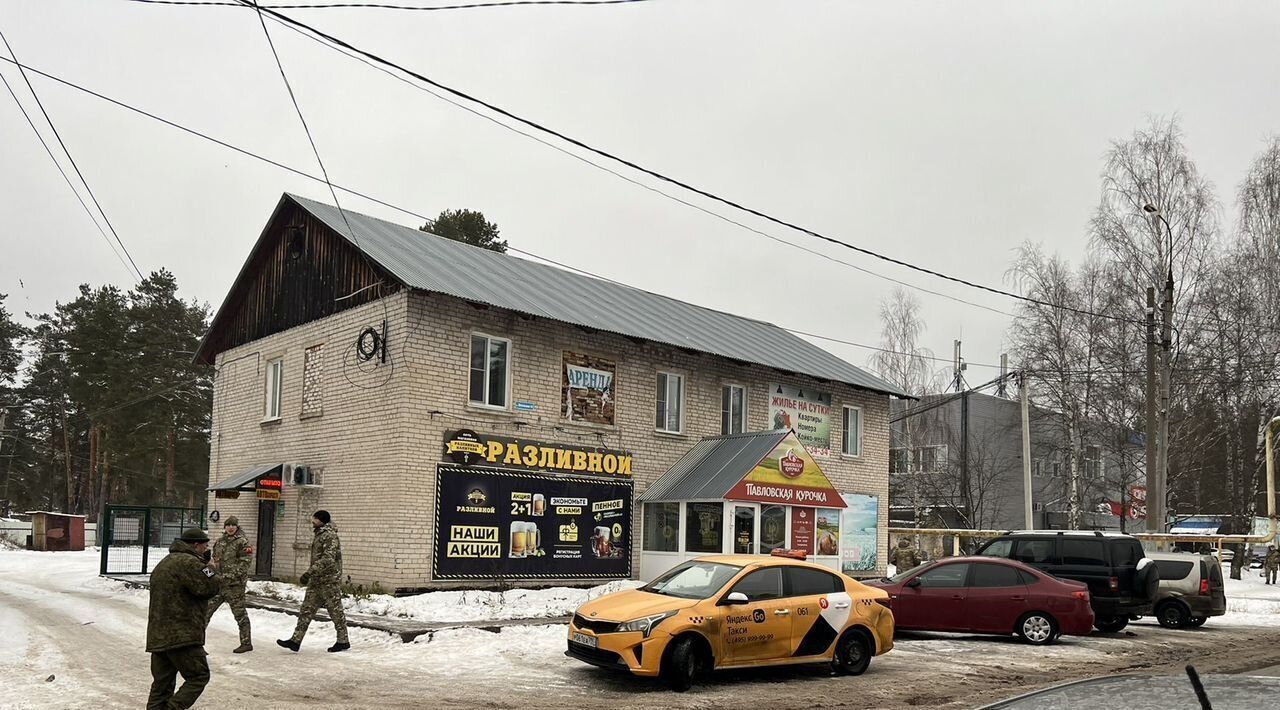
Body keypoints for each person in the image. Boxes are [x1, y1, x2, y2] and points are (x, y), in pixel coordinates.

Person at [147, 528, 220, 710]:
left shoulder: (165, 562)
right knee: (198, 676)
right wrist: (210, 568)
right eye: (205, 545)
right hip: (182, 635)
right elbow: (210, 586)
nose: (206, 548)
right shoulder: (190, 563)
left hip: (158, 635)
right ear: (196, 545)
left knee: (161, 686)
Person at [278, 510, 350, 653]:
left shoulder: (329, 536)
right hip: (317, 580)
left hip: (328, 581)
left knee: (335, 612)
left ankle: (343, 641)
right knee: (306, 610)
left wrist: (310, 572)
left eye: (315, 518)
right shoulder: (319, 534)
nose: (312, 521)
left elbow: (328, 558)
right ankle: (295, 641)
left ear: (320, 520)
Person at [205, 515, 254, 652]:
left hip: (235, 586)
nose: (230, 527)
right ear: (224, 527)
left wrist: (227, 577)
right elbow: (213, 562)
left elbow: (245, 563)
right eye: (228, 525)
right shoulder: (219, 542)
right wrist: (207, 575)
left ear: (237, 527)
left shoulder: (243, 542)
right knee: (205, 612)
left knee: (240, 614)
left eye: (233, 525)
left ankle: (246, 643)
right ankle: (196, 644)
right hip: (219, 586)